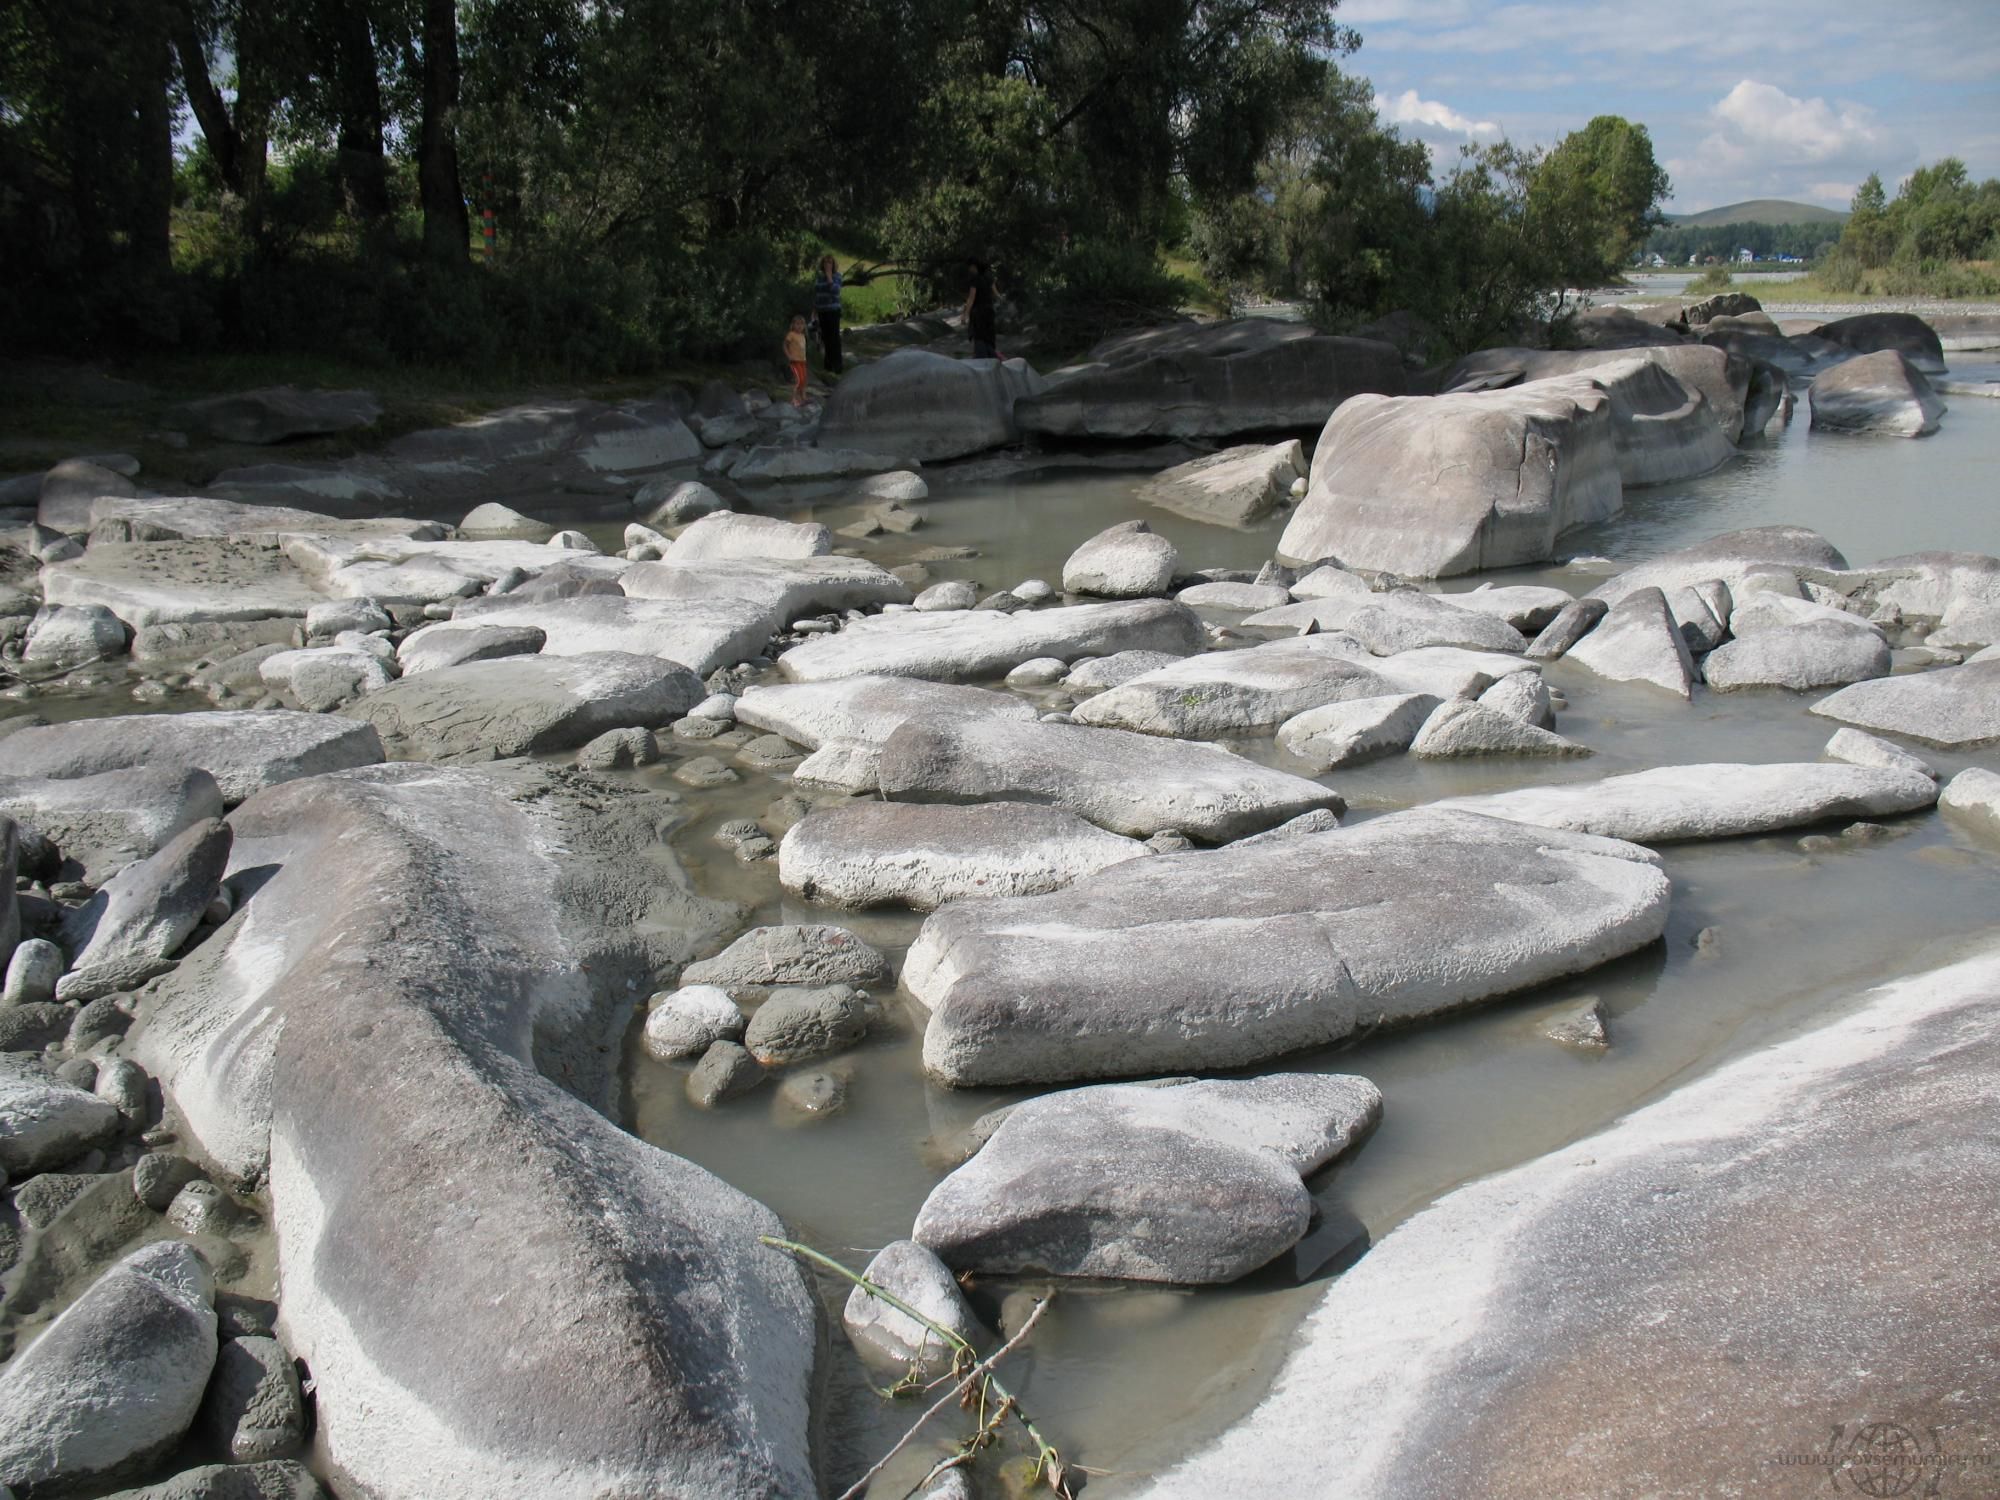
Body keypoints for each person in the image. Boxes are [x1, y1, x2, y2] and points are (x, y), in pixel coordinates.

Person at [812, 255, 844, 374]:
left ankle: (837, 365)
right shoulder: (819, 278)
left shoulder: (837, 276)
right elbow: (817, 293)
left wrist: (829, 277)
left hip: (833, 311)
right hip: (822, 311)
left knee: (834, 337)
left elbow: (836, 290)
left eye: (830, 263)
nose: (827, 265)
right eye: (825, 263)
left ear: (833, 264)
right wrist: (814, 311)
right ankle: (828, 365)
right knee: (825, 337)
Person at [963, 260, 999, 359]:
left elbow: (971, 298)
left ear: (974, 267)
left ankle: (982, 359)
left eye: (970, 267)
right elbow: (996, 294)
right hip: (989, 311)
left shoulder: (975, 280)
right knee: (989, 337)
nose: (969, 269)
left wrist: (965, 314)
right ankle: (992, 357)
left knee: (979, 337)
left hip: (978, 312)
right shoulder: (989, 278)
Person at [783, 314, 809, 407]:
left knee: (804, 379)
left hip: (802, 361)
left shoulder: (802, 335)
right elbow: (785, 345)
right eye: (797, 324)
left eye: (801, 324)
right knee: (798, 380)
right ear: (793, 325)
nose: (799, 326)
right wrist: (789, 356)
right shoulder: (791, 335)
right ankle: (793, 399)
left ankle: (803, 397)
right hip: (795, 361)